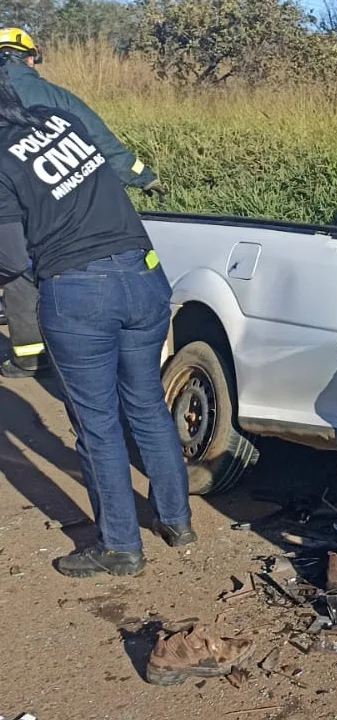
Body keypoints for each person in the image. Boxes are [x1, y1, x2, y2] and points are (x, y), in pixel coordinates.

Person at [0, 69, 194, 578]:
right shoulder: (60, 120)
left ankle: (120, 548)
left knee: (97, 425)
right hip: (143, 276)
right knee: (148, 402)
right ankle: (176, 519)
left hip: (80, 293)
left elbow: (12, 256)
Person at [0, 27, 163, 379]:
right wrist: (143, 176)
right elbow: (98, 138)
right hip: (57, 206)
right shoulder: (54, 95)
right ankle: (51, 351)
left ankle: (28, 355)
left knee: (12, 263)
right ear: (30, 57)